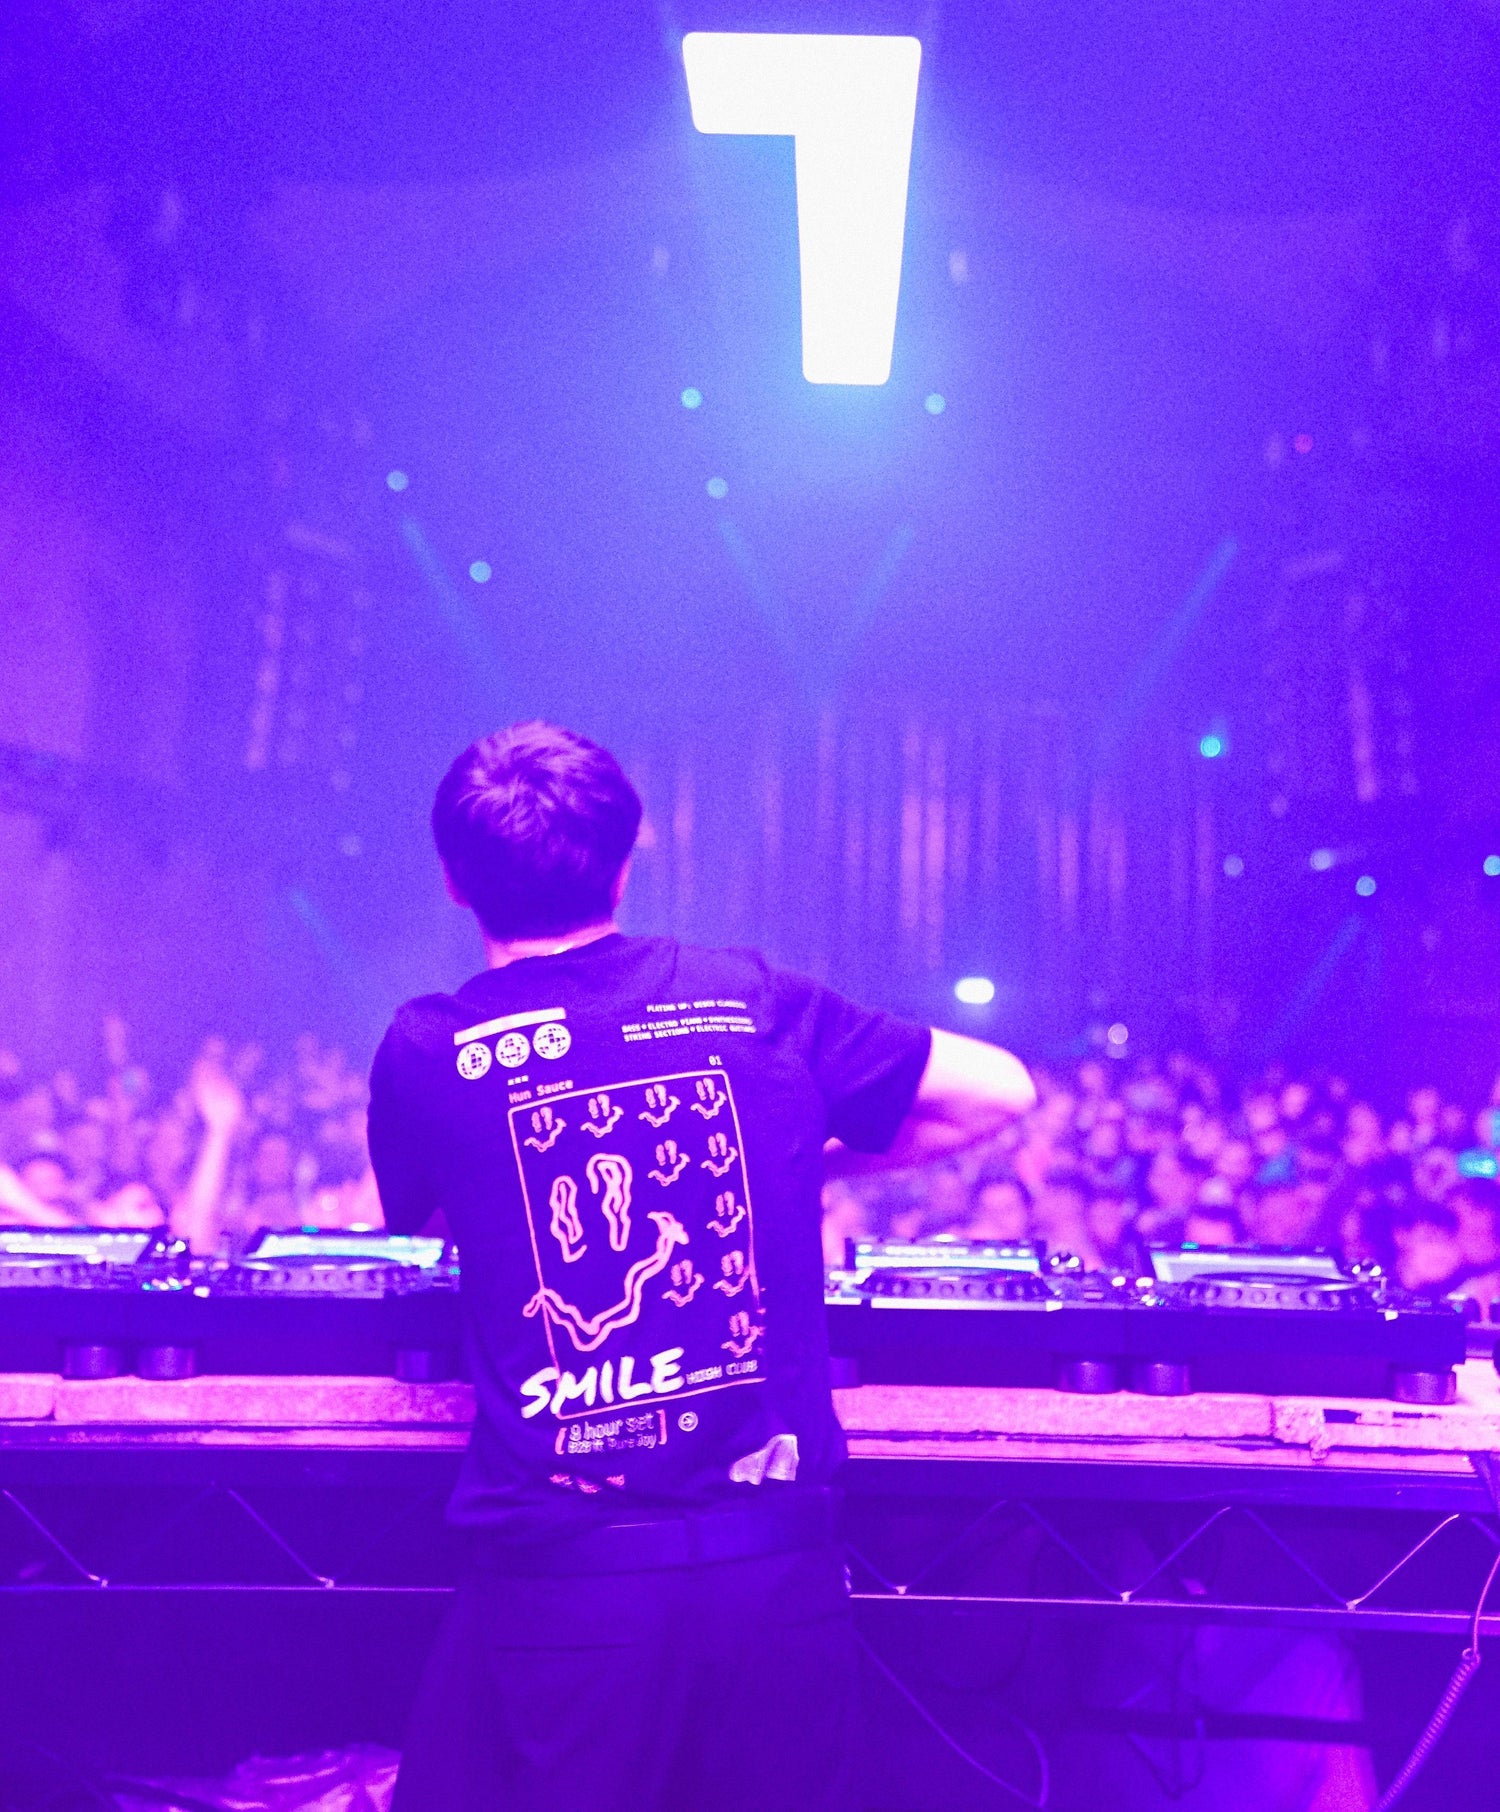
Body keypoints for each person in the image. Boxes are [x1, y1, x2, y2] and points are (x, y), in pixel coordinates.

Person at [368, 721, 1035, 1812]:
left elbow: (441, 1216)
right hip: (773, 1565)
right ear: (629, 859)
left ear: (451, 880)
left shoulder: (426, 1046)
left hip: (565, 1577)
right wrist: (808, 1163)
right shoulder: (745, 995)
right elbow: (1002, 1090)